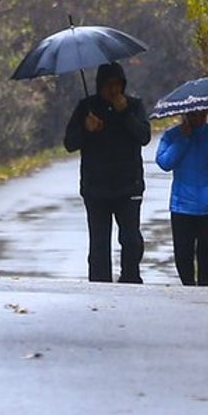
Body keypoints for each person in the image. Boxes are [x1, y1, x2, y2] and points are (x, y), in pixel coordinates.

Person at [64, 61, 152, 283]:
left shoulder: (134, 105)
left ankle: (130, 279)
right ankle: (100, 286)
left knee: (131, 239)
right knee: (99, 245)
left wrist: (125, 114)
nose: (113, 90)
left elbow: (144, 136)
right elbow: (69, 143)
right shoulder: (87, 107)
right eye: (109, 85)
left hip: (128, 185)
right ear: (99, 86)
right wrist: (86, 128)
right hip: (96, 188)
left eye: (118, 85)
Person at [155, 109, 208, 286]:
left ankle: (205, 290)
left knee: (207, 254)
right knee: (183, 254)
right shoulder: (173, 135)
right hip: (183, 206)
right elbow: (164, 162)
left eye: (201, 115)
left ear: (207, 114)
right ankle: (188, 288)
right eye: (193, 115)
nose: (197, 119)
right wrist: (183, 140)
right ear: (185, 115)